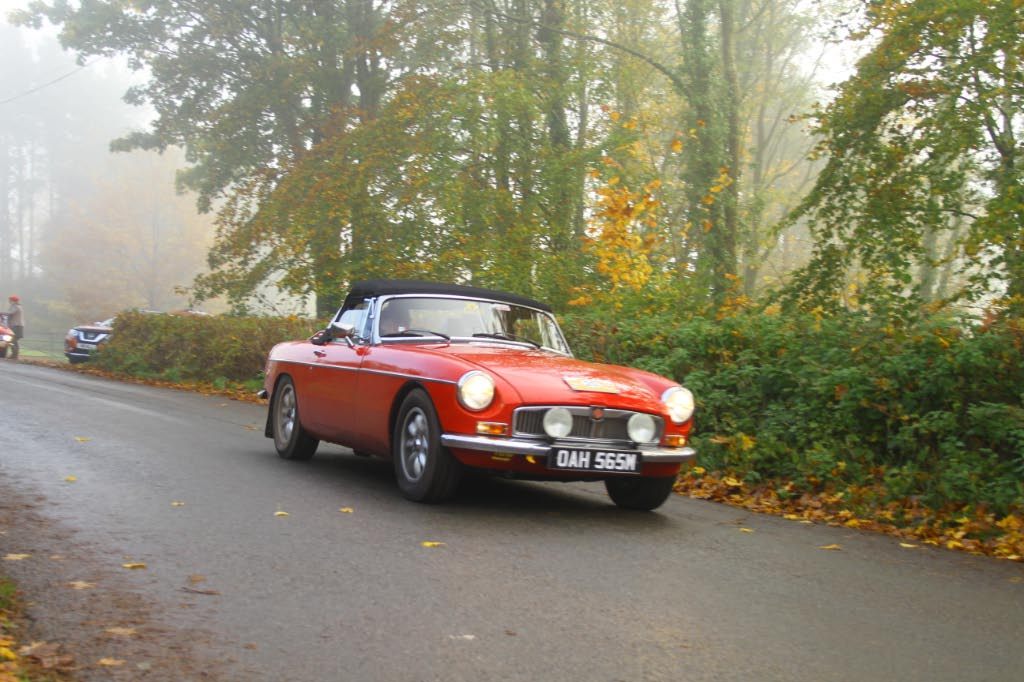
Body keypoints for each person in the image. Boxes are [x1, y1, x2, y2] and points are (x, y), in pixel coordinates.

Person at [6, 295, 23, 360]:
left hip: (16, 326)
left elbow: (9, 313)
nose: (9, 301)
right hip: (17, 326)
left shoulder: (16, 307)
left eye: (10, 300)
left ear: (13, 301)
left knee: (12, 340)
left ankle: (14, 355)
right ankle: (14, 355)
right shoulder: (17, 306)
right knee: (13, 340)